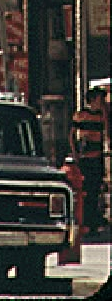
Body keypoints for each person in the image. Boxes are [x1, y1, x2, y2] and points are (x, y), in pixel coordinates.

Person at [69, 86, 106, 235]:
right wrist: (75, 152)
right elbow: (71, 134)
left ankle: (92, 221)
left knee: (95, 191)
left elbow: (104, 134)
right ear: (92, 100)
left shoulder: (100, 116)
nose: (102, 102)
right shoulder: (81, 115)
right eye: (99, 99)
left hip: (97, 158)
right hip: (85, 159)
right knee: (84, 191)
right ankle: (84, 221)